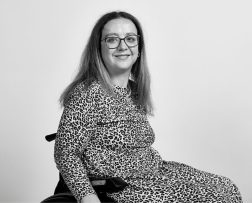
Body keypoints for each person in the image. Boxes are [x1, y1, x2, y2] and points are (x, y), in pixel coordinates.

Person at [54, 11, 242, 203]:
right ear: (98, 47)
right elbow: (66, 154)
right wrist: (87, 197)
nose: (122, 46)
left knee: (227, 188)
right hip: (121, 185)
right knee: (215, 198)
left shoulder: (133, 90)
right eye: (112, 39)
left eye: (130, 39)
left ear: (139, 46)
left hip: (154, 172)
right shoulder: (87, 92)